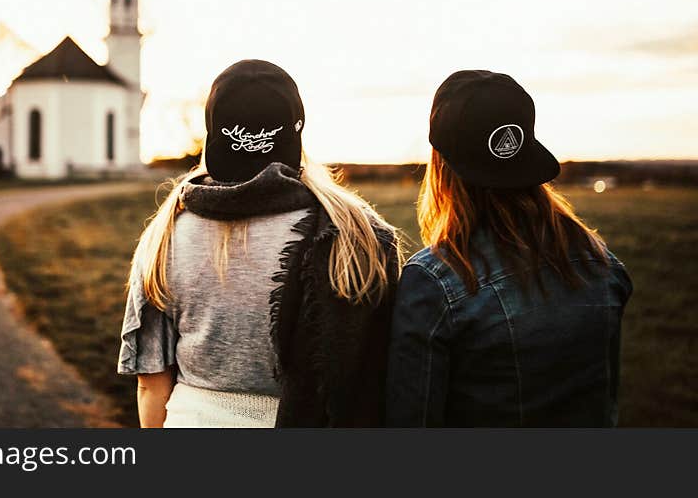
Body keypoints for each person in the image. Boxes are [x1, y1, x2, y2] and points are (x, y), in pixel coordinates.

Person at [118, 60, 402, 427]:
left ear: (212, 136)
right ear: (297, 134)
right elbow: (380, 373)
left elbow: (152, 389)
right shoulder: (360, 234)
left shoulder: (164, 236)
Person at [386, 70, 633, 427]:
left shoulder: (434, 283)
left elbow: (411, 423)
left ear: (441, 165)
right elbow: (606, 404)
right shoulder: (601, 262)